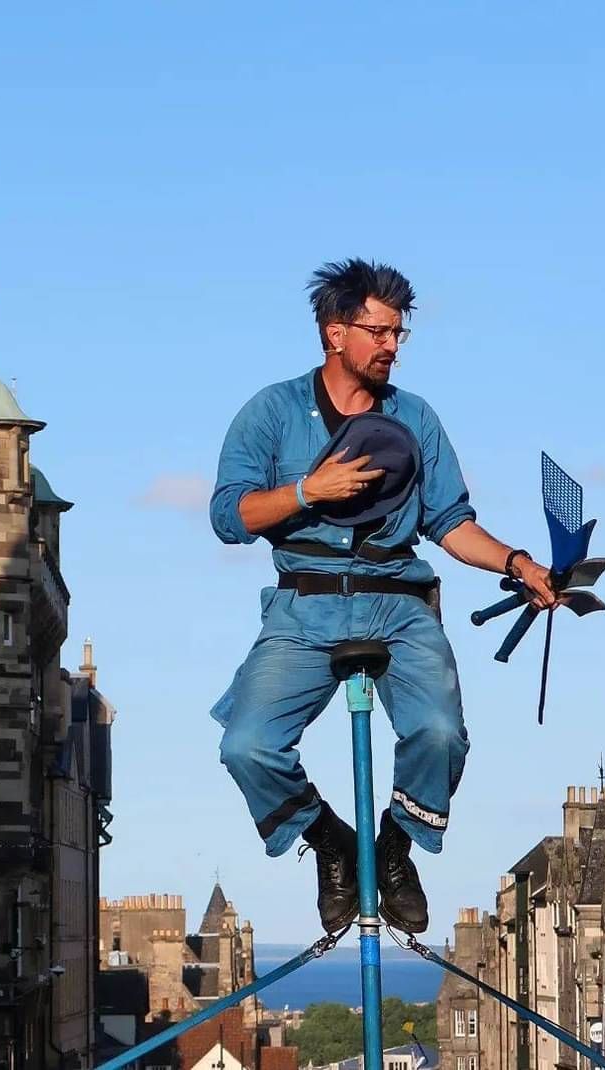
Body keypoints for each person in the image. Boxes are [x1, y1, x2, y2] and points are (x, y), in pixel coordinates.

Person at [209, 259, 555, 934]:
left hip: (398, 602)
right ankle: (333, 844)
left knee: (440, 732)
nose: (392, 345)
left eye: (399, 333)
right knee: (247, 746)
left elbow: (450, 523)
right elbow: (230, 517)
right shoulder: (273, 412)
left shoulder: (415, 417)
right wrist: (310, 492)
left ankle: (394, 845)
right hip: (303, 606)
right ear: (335, 332)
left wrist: (515, 563)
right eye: (379, 331)